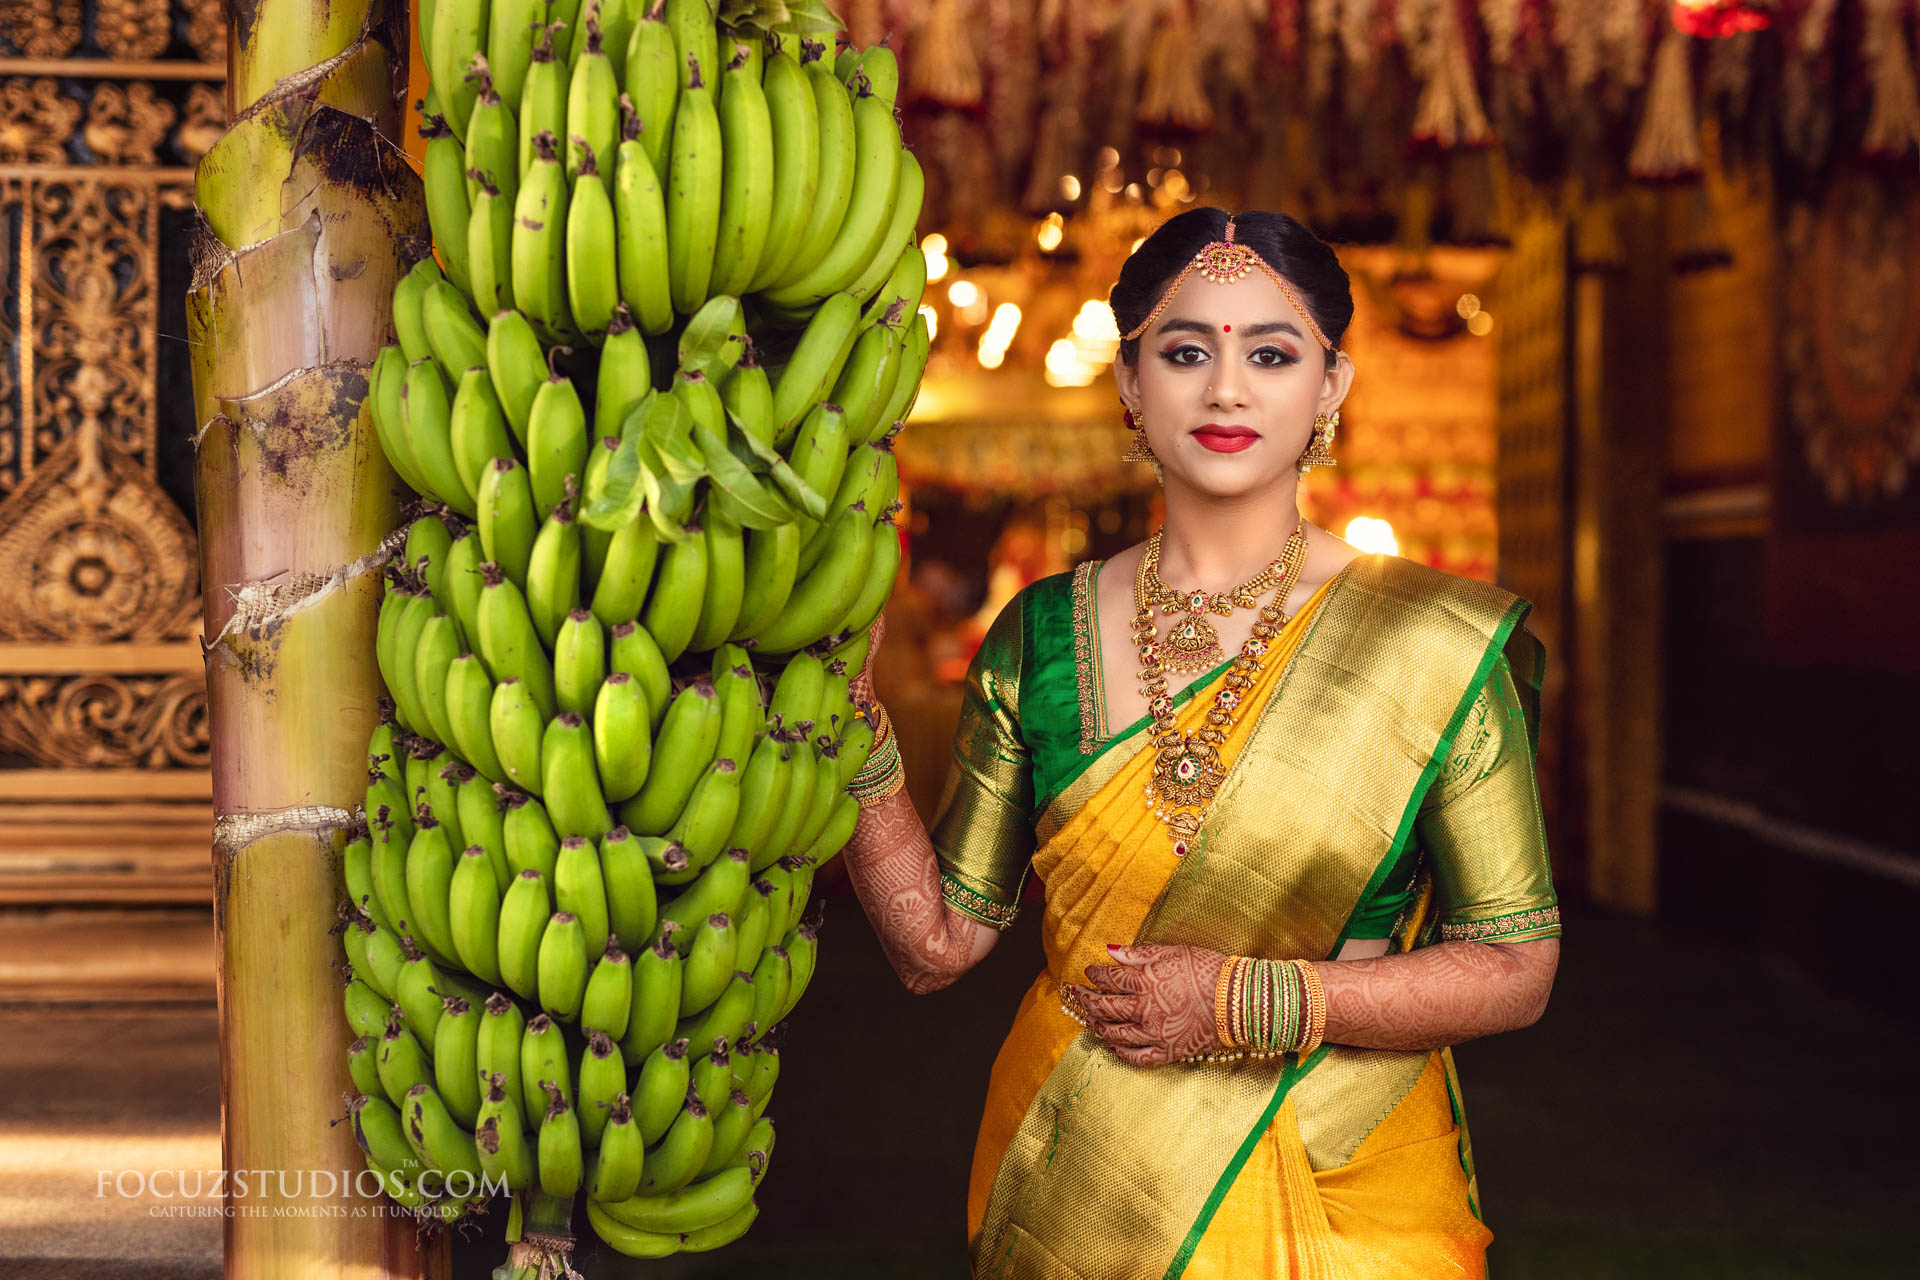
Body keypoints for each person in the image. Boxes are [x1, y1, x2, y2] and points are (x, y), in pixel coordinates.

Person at [836, 207, 1560, 1279]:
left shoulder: (1434, 644)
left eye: (1272, 352)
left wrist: (1254, 999)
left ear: (1332, 386)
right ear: (1130, 383)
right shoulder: (1040, 635)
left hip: (1351, 1185)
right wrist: (849, 724)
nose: (1227, 389)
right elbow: (936, 945)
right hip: (1080, 1178)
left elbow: (1516, 965)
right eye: (1185, 351)